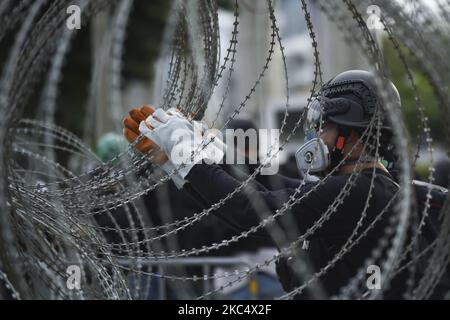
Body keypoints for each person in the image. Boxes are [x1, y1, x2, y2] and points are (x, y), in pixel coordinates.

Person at [122, 70, 407, 299]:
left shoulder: (361, 192)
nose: (317, 136)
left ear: (349, 132)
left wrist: (187, 154)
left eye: (324, 126)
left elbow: (255, 209)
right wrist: (204, 152)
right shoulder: (365, 188)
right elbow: (271, 185)